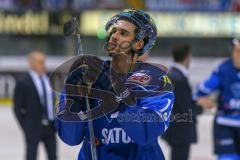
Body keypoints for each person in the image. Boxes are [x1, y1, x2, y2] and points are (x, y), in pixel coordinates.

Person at [55, 9, 174, 160]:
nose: (114, 36)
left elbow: (145, 133)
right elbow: (70, 138)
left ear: (138, 44)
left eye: (123, 33)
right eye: (113, 31)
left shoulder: (155, 81)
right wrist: (74, 102)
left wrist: (119, 94)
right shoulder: (88, 74)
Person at [195, 38, 240, 160]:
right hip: (225, 125)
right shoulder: (223, 69)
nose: (238, 55)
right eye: (237, 51)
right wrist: (200, 98)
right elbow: (202, 90)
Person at [13, 51, 57, 160]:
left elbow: (51, 100)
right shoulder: (23, 82)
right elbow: (17, 107)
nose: (43, 65)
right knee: (31, 156)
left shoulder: (48, 78)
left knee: (53, 156)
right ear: (31, 64)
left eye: (44, 62)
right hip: (33, 127)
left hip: (50, 127)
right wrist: (26, 125)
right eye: (40, 62)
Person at [162, 44, 203, 160]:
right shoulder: (179, 78)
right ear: (187, 57)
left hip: (174, 129)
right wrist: (201, 107)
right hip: (181, 131)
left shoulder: (171, 74)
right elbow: (186, 108)